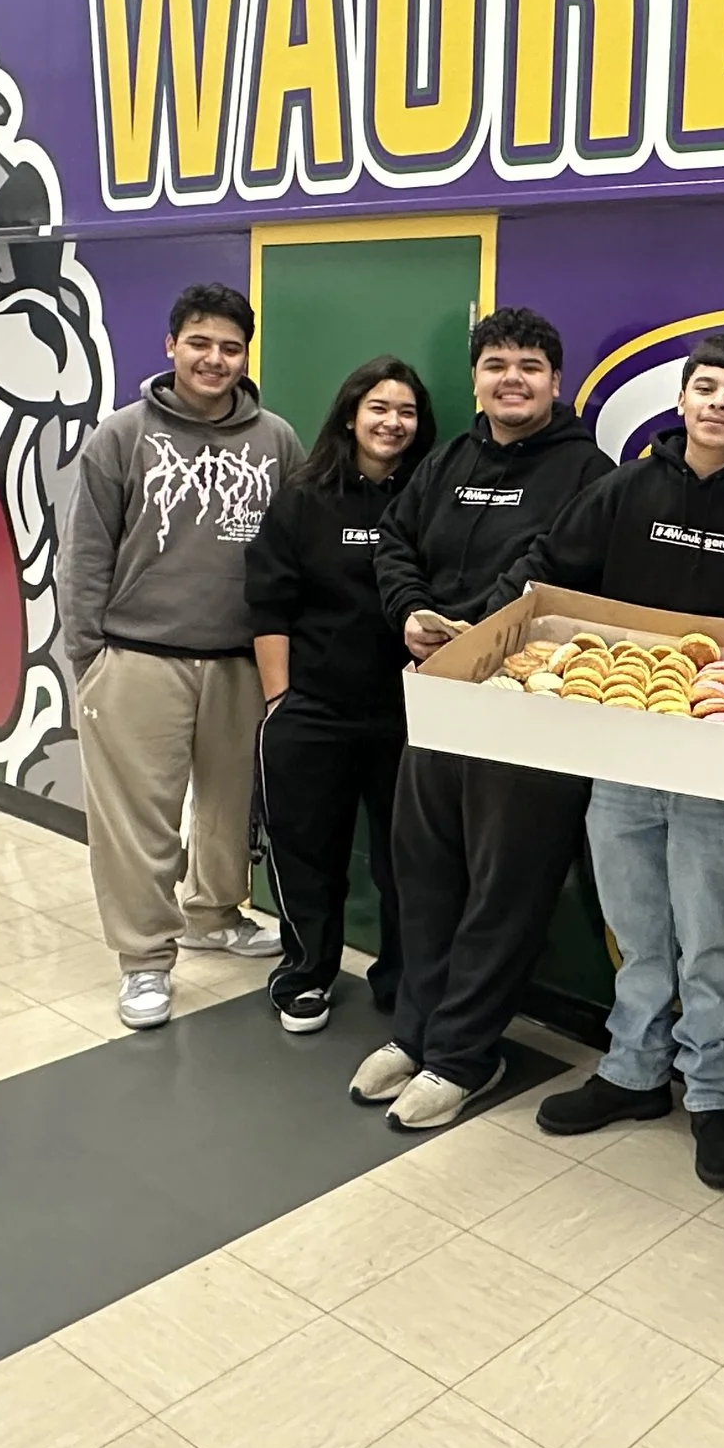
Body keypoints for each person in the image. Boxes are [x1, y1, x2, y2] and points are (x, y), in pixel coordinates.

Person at [487, 332, 724, 1192]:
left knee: (711, 939)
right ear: (682, 402)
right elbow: (545, 568)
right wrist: (472, 626)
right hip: (617, 745)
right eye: (705, 388)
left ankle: (714, 1091)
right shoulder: (625, 489)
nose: (719, 403)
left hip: (717, 767)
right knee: (636, 925)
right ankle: (632, 1069)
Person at [347, 308, 613, 1129]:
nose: (512, 378)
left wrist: (474, 636)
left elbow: (554, 570)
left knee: (504, 890)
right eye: (496, 363)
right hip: (433, 699)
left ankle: (466, 1053)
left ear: (555, 381)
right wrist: (412, 610)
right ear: (476, 379)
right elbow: (395, 542)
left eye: (529, 364)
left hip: (523, 717)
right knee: (424, 877)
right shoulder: (449, 460)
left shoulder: (590, 472)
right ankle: (417, 1030)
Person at [62, 283, 303, 1031]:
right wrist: (90, 660)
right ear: (171, 346)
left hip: (239, 658)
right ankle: (143, 961)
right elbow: (86, 555)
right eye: (200, 343)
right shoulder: (122, 435)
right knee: (141, 822)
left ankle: (214, 913)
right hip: (138, 657)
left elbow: (296, 552)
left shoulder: (279, 440)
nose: (215, 359)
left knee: (229, 812)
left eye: (231, 347)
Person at [244, 356, 434, 1035]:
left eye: (406, 411)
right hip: (312, 709)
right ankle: (305, 975)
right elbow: (268, 603)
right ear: (351, 413)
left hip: (404, 717)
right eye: (378, 407)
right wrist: (279, 701)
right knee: (307, 853)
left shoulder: (426, 496)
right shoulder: (303, 495)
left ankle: (401, 981)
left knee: (404, 862)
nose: (392, 422)